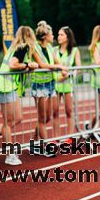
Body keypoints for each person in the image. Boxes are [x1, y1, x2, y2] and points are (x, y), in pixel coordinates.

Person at [0, 26, 39, 165]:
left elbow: (18, 68)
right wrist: (28, 64)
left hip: (9, 86)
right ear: (30, 36)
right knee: (8, 122)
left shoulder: (17, 48)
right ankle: (9, 154)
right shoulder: (22, 47)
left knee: (17, 118)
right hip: (5, 86)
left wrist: (28, 67)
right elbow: (13, 65)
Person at [30, 21, 67, 156]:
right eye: (52, 34)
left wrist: (63, 68)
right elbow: (42, 64)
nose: (54, 37)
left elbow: (58, 62)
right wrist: (60, 68)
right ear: (45, 35)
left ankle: (33, 142)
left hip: (50, 84)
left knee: (47, 117)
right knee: (42, 117)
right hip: (39, 86)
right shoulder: (34, 48)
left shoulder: (50, 48)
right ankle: (46, 146)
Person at [53, 26, 81, 144]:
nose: (59, 37)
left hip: (68, 85)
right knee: (55, 112)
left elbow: (79, 67)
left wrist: (69, 74)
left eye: (61, 35)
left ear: (68, 37)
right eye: (58, 34)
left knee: (69, 111)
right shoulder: (53, 50)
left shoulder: (74, 51)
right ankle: (55, 138)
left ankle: (70, 137)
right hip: (55, 84)